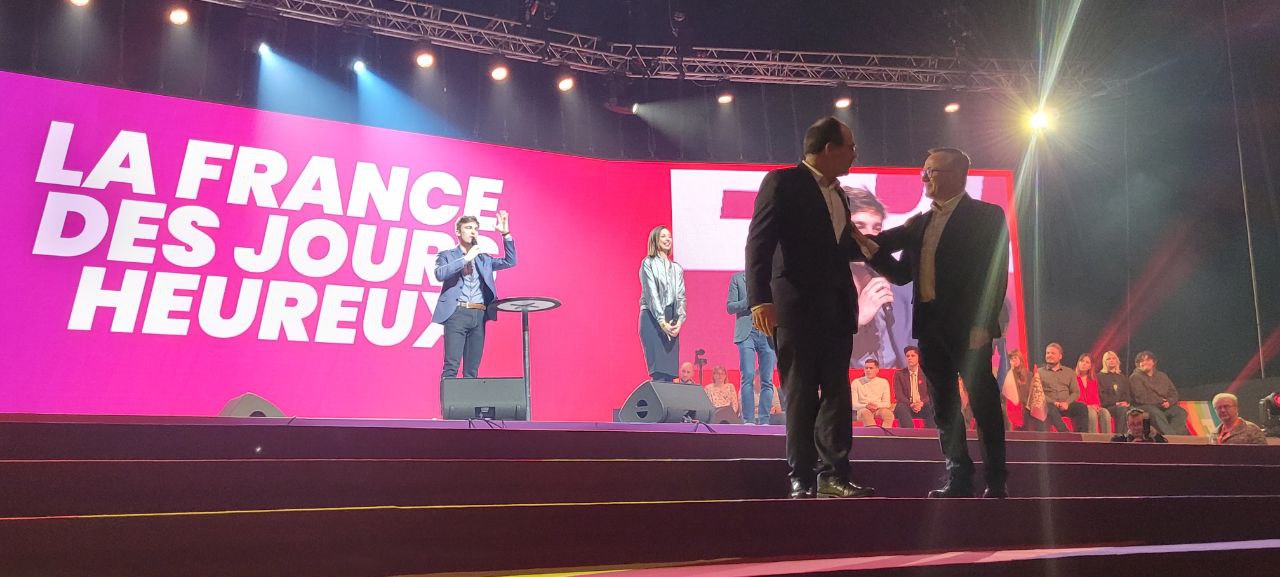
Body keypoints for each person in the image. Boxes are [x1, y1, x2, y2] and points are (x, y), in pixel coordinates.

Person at [860, 147, 1011, 498]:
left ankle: (996, 480)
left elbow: (993, 273)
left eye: (932, 171)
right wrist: (863, 246)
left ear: (957, 175)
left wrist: (983, 323)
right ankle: (958, 476)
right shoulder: (921, 222)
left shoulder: (986, 215)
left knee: (983, 402)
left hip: (969, 327)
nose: (924, 177)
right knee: (943, 405)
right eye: (924, 171)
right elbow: (900, 273)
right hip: (930, 327)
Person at [745, 116, 876, 499]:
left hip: (837, 308)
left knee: (837, 392)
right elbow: (759, 242)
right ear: (829, 149)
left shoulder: (840, 194)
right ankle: (801, 477)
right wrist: (760, 299)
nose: (855, 154)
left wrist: (881, 248)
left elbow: (839, 247)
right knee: (801, 392)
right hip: (796, 307)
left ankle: (834, 474)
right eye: (850, 147)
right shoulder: (783, 182)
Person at [433, 212, 517, 408]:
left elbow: (510, 261)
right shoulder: (447, 255)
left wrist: (506, 234)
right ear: (458, 232)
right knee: (452, 365)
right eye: (468, 228)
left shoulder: (483, 259)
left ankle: (467, 409)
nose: (473, 232)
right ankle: (450, 410)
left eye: (475, 228)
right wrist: (465, 259)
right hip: (457, 314)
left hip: (479, 315)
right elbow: (440, 273)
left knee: (472, 368)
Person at [845, 186, 913, 369]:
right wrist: (856, 321)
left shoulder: (900, 290)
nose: (870, 236)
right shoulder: (819, 289)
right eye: (859, 226)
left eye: (877, 228)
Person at [638, 226, 686, 382]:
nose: (668, 239)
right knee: (658, 372)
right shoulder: (648, 263)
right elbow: (651, 294)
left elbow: (681, 296)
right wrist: (662, 322)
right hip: (652, 318)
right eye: (663, 236)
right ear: (655, 240)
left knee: (669, 374)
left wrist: (679, 321)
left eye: (669, 237)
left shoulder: (677, 268)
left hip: (671, 318)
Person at [728, 271, 777, 424]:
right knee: (748, 375)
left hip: (767, 332)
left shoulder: (771, 278)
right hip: (747, 333)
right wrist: (748, 301)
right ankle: (748, 420)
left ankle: (764, 420)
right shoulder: (738, 279)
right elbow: (730, 307)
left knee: (767, 379)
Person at [1130, 351, 1190, 435]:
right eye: (1141, 361)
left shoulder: (1162, 376)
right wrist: (1160, 401)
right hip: (1144, 407)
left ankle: (1175, 436)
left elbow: (1173, 393)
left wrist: (1169, 402)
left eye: (1147, 360)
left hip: (1163, 405)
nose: (1144, 363)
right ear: (1138, 364)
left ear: (1154, 362)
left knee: (1180, 412)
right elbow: (1140, 398)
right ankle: (1171, 437)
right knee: (1156, 413)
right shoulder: (1135, 377)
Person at [1038, 343, 1089, 432]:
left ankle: (1082, 436)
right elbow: (1039, 393)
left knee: (1081, 407)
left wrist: (1067, 403)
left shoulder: (1069, 372)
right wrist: (1054, 402)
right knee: (1049, 407)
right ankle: (1066, 434)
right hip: (1050, 406)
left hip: (1066, 405)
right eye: (1047, 353)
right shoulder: (1039, 372)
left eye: (1053, 353)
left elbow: (1076, 392)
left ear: (1060, 356)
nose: (1049, 355)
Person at [892, 345, 935, 428]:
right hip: (907, 406)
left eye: (913, 356)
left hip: (922, 406)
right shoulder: (899, 374)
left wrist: (921, 403)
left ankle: (932, 434)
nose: (909, 358)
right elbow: (899, 395)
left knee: (932, 407)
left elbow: (930, 393)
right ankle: (910, 433)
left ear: (919, 358)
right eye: (907, 356)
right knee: (900, 406)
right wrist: (911, 404)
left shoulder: (926, 373)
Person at [1005, 349, 1045, 431]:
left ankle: (1038, 435)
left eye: (1015, 358)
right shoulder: (1007, 374)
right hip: (1012, 404)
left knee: (1034, 410)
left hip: (1026, 404)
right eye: (1011, 359)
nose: (1013, 360)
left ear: (1020, 359)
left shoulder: (1028, 374)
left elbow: (1031, 392)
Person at [1098, 351, 1133, 434]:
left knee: (1134, 410)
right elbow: (1102, 396)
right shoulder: (1099, 376)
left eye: (1113, 358)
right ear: (1104, 362)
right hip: (1107, 406)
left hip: (1122, 406)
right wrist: (1116, 403)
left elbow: (1127, 394)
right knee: (1122, 410)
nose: (1111, 360)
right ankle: (1120, 436)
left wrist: (1126, 402)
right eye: (1108, 359)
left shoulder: (1122, 377)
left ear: (1117, 361)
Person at [851, 358, 894, 427]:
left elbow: (887, 404)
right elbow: (853, 404)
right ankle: (874, 433)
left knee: (888, 414)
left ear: (877, 370)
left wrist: (876, 405)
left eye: (871, 368)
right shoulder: (856, 382)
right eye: (866, 368)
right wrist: (866, 406)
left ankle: (885, 433)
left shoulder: (883, 382)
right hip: (863, 409)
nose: (868, 370)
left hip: (878, 408)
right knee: (865, 413)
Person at [1075, 352, 1105, 433]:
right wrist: (1088, 406)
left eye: (1087, 362)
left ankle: (1107, 439)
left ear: (1090, 366)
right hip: (1081, 407)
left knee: (1105, 413)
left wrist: (1097, 406)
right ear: (1078, 363)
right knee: (1092, 413)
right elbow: (1074, 397)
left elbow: (1095, 396)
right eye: (1082, 361)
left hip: (1092, 406)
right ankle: (1092, 439)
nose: (1084, 364)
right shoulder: (1073, 378)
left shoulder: (1093, 380)